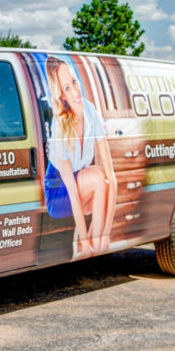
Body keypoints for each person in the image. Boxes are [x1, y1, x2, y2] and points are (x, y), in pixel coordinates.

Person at [43, 56, 117, 258]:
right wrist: (86, 240)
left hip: (81, 186)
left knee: (105, 180)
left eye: (74, 82)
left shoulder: (90, 110)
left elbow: (112, 176)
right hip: (60, 191)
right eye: (67, 88)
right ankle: (85, 243)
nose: (75, 92)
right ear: (61, 96)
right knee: (97, 176)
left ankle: (97, 244)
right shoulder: (61, 126)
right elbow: (73, 193)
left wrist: (106, 232)